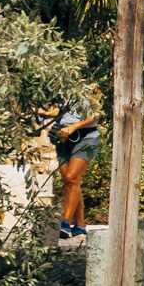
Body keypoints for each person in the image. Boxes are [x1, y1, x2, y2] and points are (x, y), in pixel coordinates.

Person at [44, 93, 101, 239]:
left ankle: (65, 223)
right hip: (62, 136)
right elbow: (64, 113)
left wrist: (73, 127)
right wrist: (43, 113)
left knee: (71, 178)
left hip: (85, 137)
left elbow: (96, 114)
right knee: (71, 182)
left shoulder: (91, 87)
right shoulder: (62, 86)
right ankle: (80, 227)